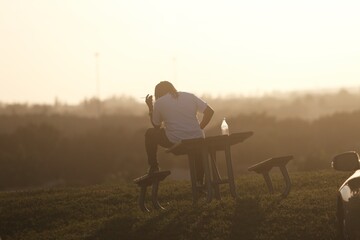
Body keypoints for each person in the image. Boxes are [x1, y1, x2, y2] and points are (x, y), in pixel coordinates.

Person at [145, 81, 214, 180]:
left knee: (150, 133)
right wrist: (200, 128)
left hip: (175, 139)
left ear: (158, 94)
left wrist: (150, 108)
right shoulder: (189, 96)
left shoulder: (159, 103)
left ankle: (153, 167)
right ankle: (199, 183)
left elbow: (156, 126)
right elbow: (210, 112)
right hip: (197, 138)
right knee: (197, 151)